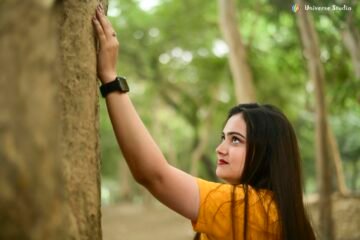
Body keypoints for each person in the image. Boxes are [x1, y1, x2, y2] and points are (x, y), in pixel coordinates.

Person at [92, 4, 316, 240]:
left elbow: (154, 175)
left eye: (236, 140)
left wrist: (110, 79)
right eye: (224, 137)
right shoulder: (267, 209)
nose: (221, 149)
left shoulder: (256, 209)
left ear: (268, 153)